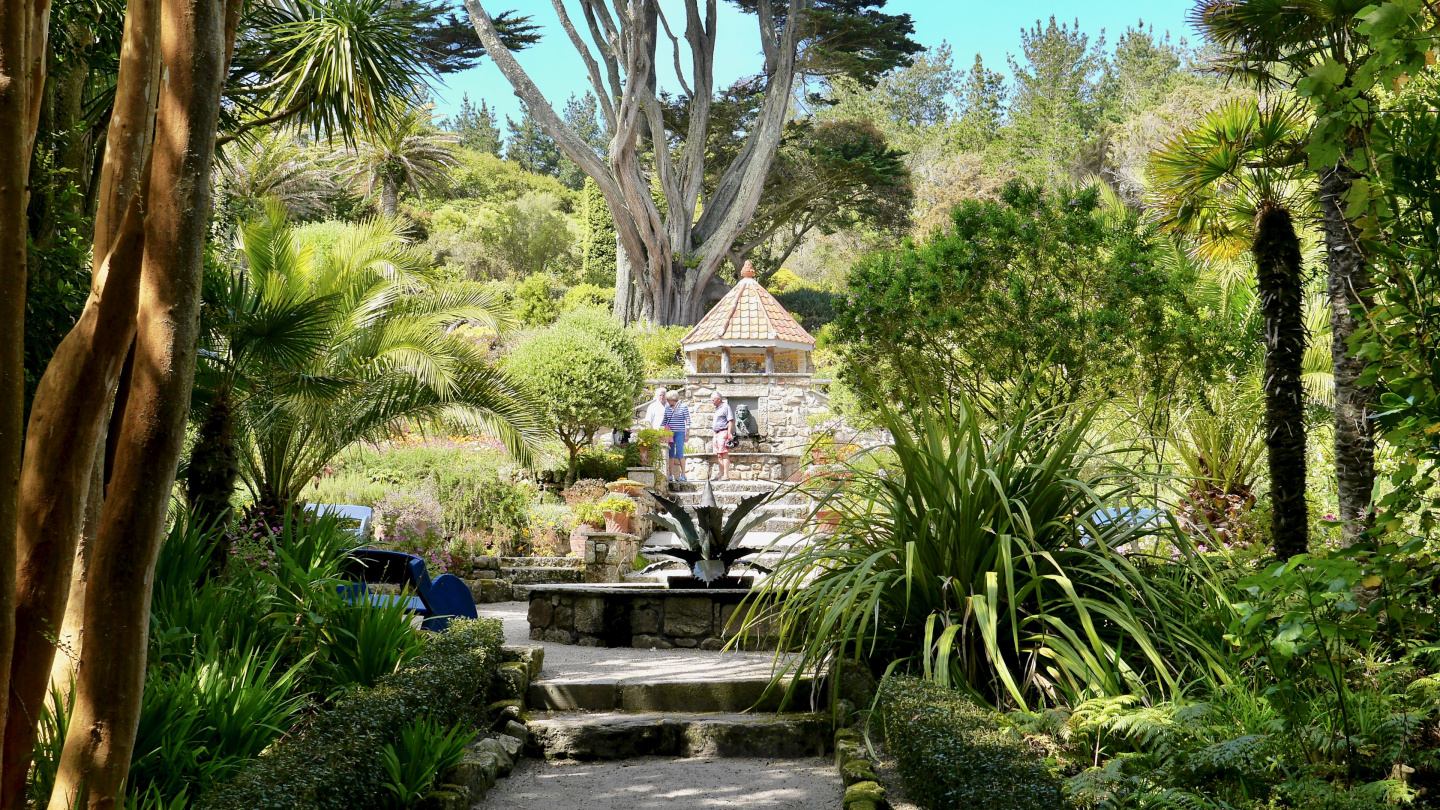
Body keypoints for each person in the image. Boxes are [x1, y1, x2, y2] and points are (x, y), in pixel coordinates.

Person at [663, 390, 691, 482]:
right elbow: (664, 421)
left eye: (668, 399)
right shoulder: (667, 409)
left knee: (680, 453)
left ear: (672, 399)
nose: (667, 401)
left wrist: (687, 434)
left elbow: (688, 421)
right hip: (670, 434)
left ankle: (683, 475)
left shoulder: (683, 407)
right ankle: (671, 475)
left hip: (680, 433)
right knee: (670, 454)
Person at [711, 392, 734, 480]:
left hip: (723, 432)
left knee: (724, 453)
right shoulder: (717, 409)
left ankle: (726, 475)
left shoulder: (725, 407)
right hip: (717, 433)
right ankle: (721, 474)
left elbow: (731, 420)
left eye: (713, 399)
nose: (712, 401)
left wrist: (729, 433)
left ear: (719, 399)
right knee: (719, 454)